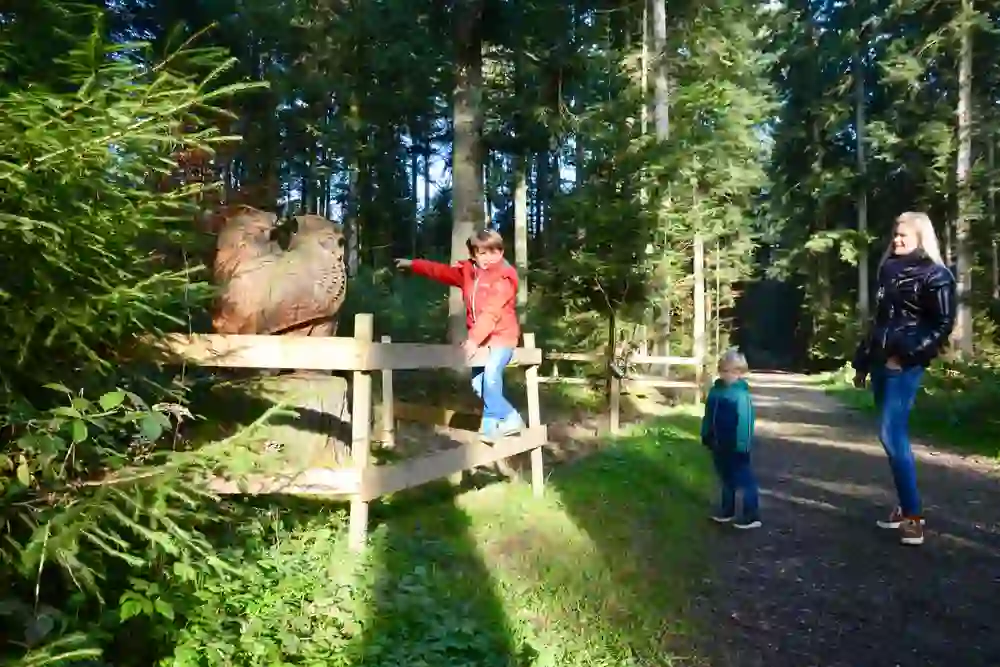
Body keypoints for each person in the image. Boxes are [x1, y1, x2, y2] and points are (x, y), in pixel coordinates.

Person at [852, 211, 956, 547]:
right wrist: (862, 363)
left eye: (904, 236)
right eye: (895, 234)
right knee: (890, 437)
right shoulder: (888, 270)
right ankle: (904, 506)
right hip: (881, 362)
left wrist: (905, 356)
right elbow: (879, 322)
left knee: (891, 434)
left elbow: (942, 324)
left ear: (921, 238)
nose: (896, 240)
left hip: (904, 366)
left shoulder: (936, 275)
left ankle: (913, 517)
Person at [394, 229, 525, 442]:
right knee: (478, 384)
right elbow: (440, 271)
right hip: (481, 341)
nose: (489, 258)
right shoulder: (468, 273)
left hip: (502, 337)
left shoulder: (504, 278)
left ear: (501, 252)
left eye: (494, 252)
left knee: (491, 376)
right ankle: (511, 417)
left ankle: (490, 428)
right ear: (473, 254)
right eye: (482, 253)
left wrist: (473, 340)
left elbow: (492, 313)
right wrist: (413, 264)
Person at [701, 348, 761, 530]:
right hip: (718, 444)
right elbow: (708, 415)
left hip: (736, 446)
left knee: (744, 479)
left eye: (732, 371)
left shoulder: (741, 395)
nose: (727, 375)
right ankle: (728, 510)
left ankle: (751, 515)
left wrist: (742, 445)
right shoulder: (715, 391)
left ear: (740, 373)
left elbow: (745, 422)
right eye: (723, 370)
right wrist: (706, 434)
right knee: (725, 478)